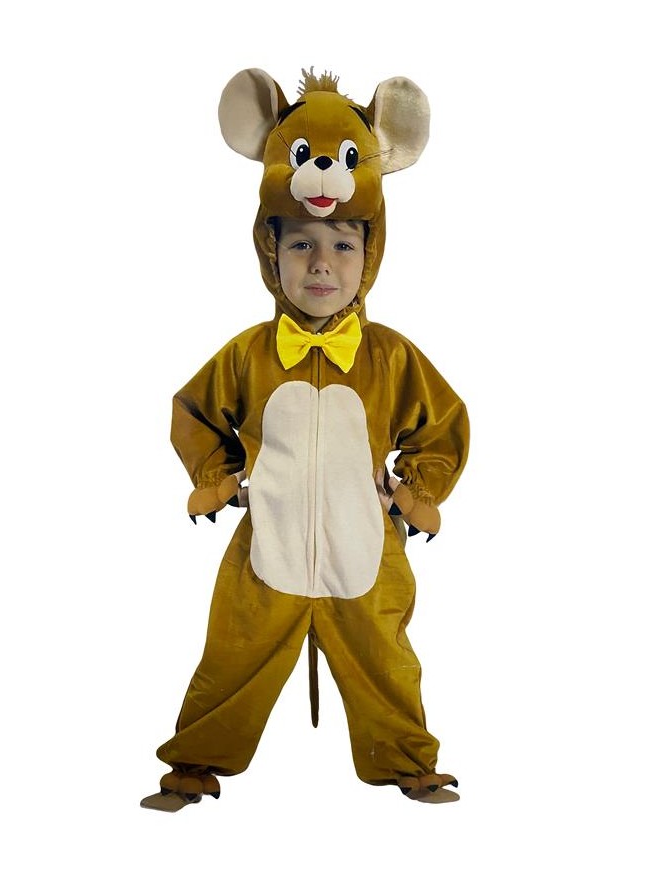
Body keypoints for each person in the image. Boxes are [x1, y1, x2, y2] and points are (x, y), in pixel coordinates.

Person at [140, 68, 469, 811]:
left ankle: (408, 762)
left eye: (343, 245)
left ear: (369, 255)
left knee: (387, 662)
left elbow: (443, 423)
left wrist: (415, 492)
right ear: (271, 252)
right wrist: (219, 479)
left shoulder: (390, 358)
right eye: (301, 245)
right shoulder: (248, 355)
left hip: (366, 553)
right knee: (231, 659)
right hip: (268, 552)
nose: (322, 263)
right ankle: (194, 763)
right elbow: (194, 410)